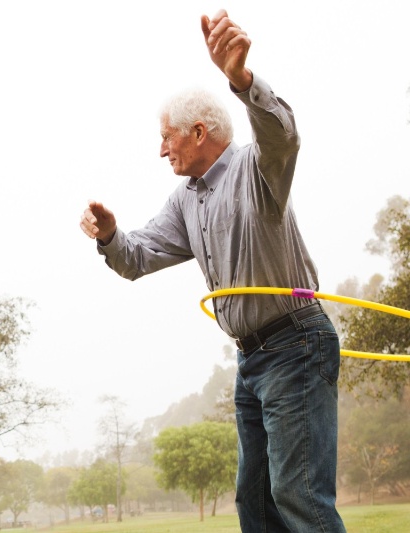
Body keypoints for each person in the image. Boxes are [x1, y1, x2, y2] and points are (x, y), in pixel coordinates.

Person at [80, 10, 346, 533]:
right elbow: (136, 258)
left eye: (167, 137)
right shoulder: (186, 201)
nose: (161, 149)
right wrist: (110, 234)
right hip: (251, 361)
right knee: (255, 503)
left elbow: (284, 137)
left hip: (296, 344)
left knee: (300, 500)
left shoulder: (256, 167)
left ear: (198, 132)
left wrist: (242, 82)